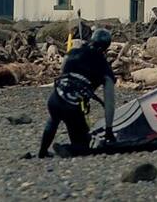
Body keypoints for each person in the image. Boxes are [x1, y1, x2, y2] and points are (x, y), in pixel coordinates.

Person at [38, 28, 116, 158]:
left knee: (54, 118)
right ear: (106, 47)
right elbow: (109, 102)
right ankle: (66, 148)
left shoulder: (72, 53)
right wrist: (109, 129)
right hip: (72, 107)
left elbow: (62, 73)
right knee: (84, 145)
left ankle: (42, 151)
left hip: (55, 99)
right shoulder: (104, 66)